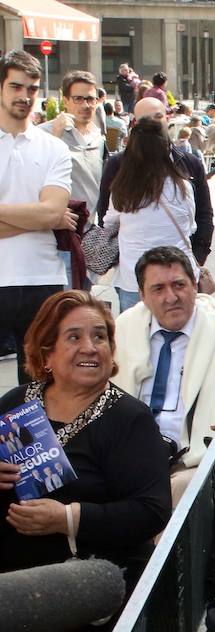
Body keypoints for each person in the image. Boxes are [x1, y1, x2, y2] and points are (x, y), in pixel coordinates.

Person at [0, 290, 171, 590]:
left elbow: (151, 511)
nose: (90, 348)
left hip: (89, 582)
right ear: (47, 353)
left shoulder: (130, 419)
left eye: (99, 337)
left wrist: (67, 518)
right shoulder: (16, 404)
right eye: (74, 337)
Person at [114, 246, 215, 504]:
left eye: (179, 285)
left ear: (195, 286)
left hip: (198, 460)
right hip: (131, 455)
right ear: (142, 296)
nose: (171, 297)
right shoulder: (122, 330)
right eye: (158, 289)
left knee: (180, 490)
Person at [0, 50, 74, 385]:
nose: (25, 96)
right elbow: (46, 215)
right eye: (16, 87)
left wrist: (49, 216)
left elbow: (53, 211)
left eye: (32, 88)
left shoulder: (53, 148)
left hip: (41, 277)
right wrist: (41, 218)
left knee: (38, 388)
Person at [98, 97, 214, 286]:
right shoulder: (118, 165)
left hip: (178, 271)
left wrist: (199, 256)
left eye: (158, 116)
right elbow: (106, 216)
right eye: (145, 119)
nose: (153, 124)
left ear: (167, 118)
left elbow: (203, 214)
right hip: (132, 276)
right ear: (136, 125)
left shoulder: (188, 164)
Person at [104, 119, 197, 312]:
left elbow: (108, 223)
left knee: (135, 338)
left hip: (135, 279)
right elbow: (190, 225)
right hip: (177, 275)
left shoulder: (122, 189)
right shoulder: (182, 186)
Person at [41, 70, 105, 228]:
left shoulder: (99, 137)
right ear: (66, 101)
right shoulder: (44, 133)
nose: (86, 105)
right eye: (78, 99)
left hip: (89, 230)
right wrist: (56, 136)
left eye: (90, 99)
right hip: (57, 230)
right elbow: (33, 179)